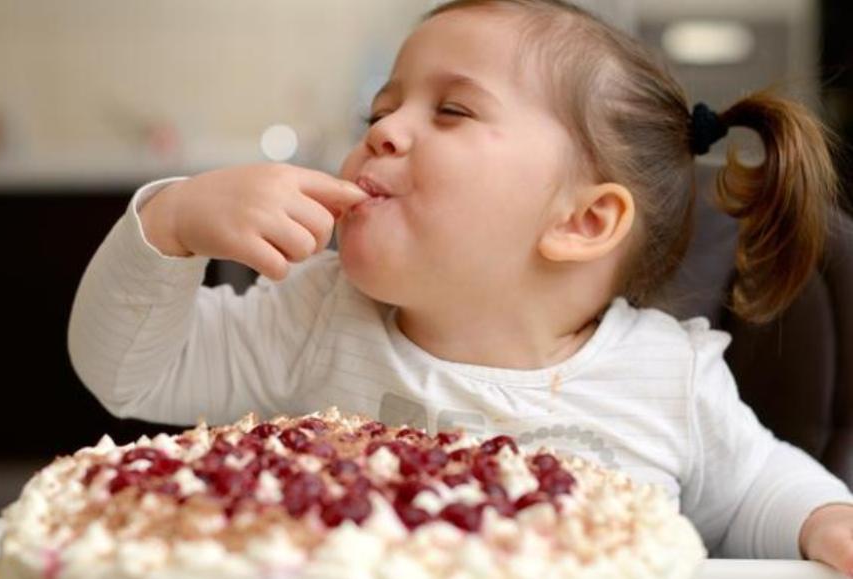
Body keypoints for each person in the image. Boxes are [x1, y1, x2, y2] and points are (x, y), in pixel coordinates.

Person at [68, 0, 853, 571]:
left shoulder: (667, 379)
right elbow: (130, 370)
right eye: (380, 107)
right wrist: (168, 223)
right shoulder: (315, 317)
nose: (380, 130)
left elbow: (755, 486)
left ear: (582, 222)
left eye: (450, 110)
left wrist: (826, 518)